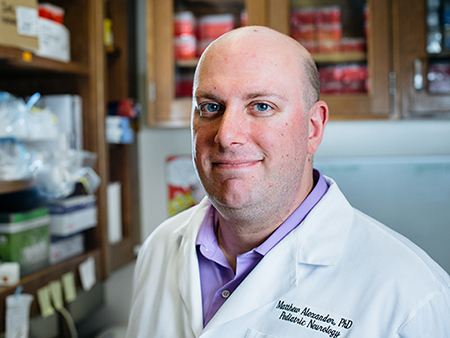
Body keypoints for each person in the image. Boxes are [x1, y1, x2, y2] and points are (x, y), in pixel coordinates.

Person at [126, 26, 450, 337]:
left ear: (313, 128)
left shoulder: (413, 297)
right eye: (211, 107)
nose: (226, 136)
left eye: (262, 106)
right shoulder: (160, 247)